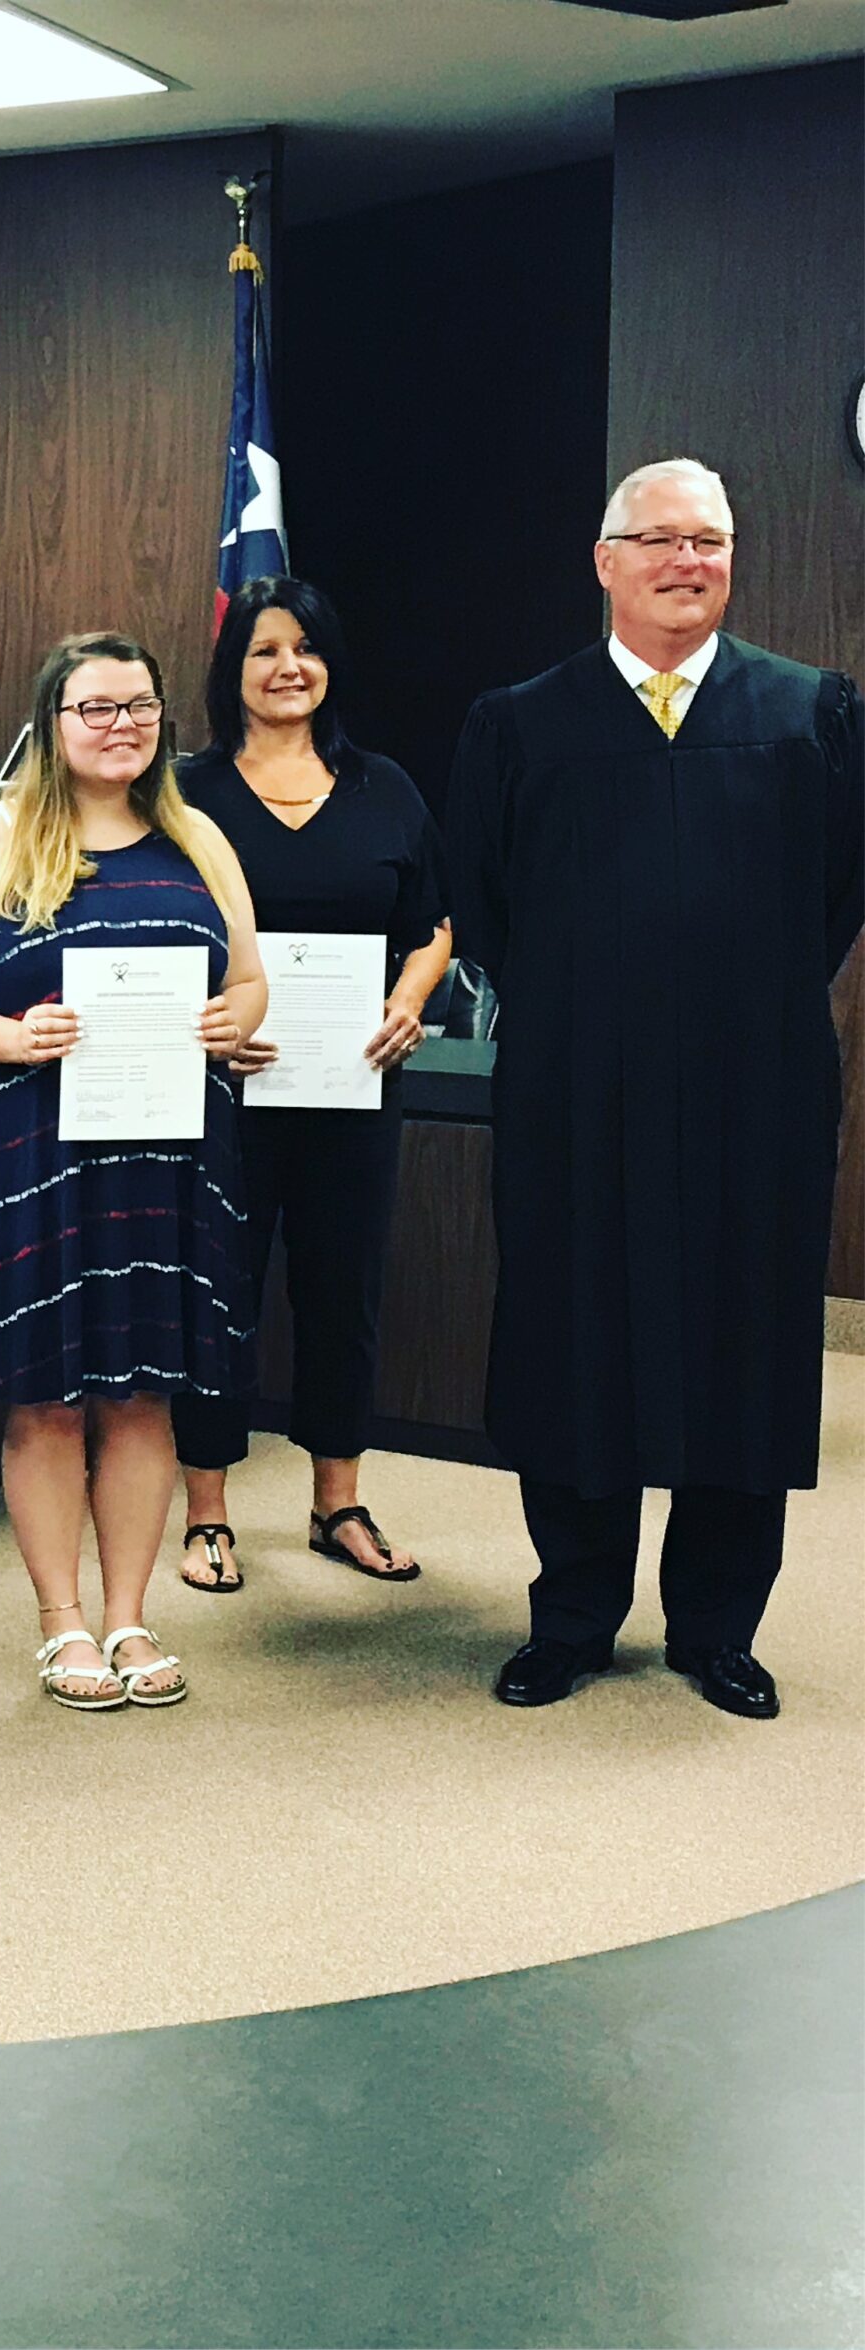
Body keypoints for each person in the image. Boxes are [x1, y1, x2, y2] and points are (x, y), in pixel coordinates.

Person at [449, 458, 862, 1719]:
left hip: (756, 1085)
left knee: (746, 1336)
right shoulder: (521, 721)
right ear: (604, 561)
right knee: (574, 1332)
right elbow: (485, 904)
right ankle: (573, 1617)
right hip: (576, 1086)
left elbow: (838, 897)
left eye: (711, 541)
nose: (689, 562)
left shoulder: (810, 711)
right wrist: (602, 1007)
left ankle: (716, 1627)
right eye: (661, 539)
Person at [0, 633, 264, 1711]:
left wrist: (230, 1020)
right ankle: (62, 1620)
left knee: (145, 1395)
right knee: (48, 1402)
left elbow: (249, 982)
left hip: (166, 1157)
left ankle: (129, 1615)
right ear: (51, 722)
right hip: (30, 1156)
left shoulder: (197, 835)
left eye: (139, 706)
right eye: (95, 707)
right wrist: (16, 1039)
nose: (121, 726)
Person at [170, 578, 453, 1592]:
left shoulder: (385, 787)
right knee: (218, 1296)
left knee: (344, 1295)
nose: (288, 667)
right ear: (232, 670)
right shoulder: (186, 793)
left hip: (351, 1089)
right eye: (264, 649)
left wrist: (408, 999)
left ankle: (338, 1501)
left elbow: (433, 925)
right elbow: (148, 927)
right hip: (224, 1095)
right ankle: (206, 1512)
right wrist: (205, 1019)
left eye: (306, 647)